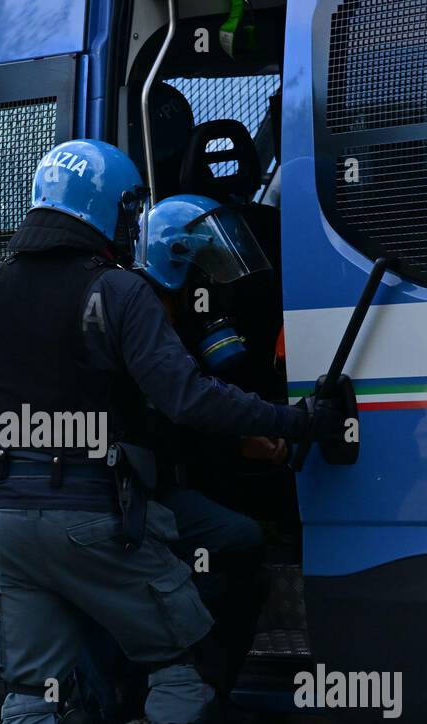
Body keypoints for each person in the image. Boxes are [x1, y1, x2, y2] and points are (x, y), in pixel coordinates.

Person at [0, 139, 342, 724]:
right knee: (181, 666)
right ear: (109, 211)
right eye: (127, 209)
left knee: (31, 692)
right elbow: (188, 396)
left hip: (6, 529)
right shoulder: (115, 292)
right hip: (96, 522)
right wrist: (296, 420)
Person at [137, 193, 289, 695]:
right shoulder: (140, 323)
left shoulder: (181, 311)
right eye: (204, 260)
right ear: (174, 261)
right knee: (235, 540)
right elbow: (168, 427)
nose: (214, 272)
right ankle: (198, 693)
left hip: (158, 478)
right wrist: (242, 443)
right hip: (127, 493)